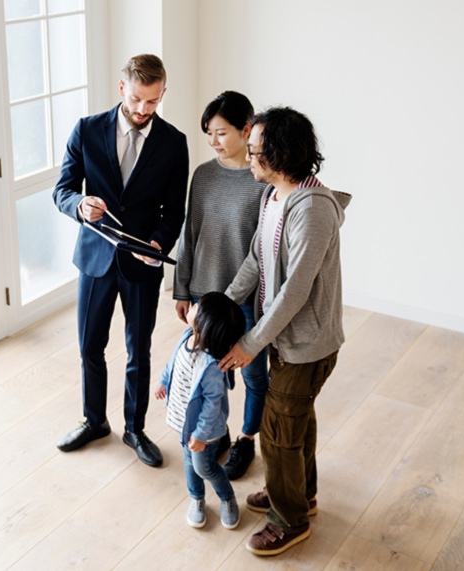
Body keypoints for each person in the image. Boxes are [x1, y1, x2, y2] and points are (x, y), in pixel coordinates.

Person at [218, 107, 350, 556]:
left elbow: (294, 292)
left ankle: (288, 518)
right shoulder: (273, 196)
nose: (248, 157)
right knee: (297, 420)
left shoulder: (311, 211)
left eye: (255, 151)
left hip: (308, 344)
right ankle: (301, 495)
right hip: (284, 337)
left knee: (277, 430)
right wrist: (224, 302)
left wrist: (250, 345)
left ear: (278, 155)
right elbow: (257, 258)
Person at [53, 55, 190, 468]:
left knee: (139, 350)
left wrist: (156, 242)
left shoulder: (173, 142)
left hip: (141, 264)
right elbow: (62, 190)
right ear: (121, 89)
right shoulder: (86, 130)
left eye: (152, 102)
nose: (142, 110)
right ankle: (95, 421)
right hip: (95, 257)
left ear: (162, 93)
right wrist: (80, 205)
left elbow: (174, 212)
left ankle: (135, 428)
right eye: (135, 100)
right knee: (90, 345)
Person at [172, 91, 270, 480]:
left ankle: (247, 439)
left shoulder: (262, 180)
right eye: (209, 133)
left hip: (244, 300)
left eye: (221, 133)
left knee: (251, 373)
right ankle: (220, 432)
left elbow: (263, 251)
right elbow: (190, 234)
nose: (213, 142)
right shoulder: (203, 175)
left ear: (247, 130)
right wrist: (182, 290)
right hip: (203, 294)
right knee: (210, 371)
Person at [154, 292, 245, 530]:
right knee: (188, 461)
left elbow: (211, 405)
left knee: (204, 467)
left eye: (197, 307)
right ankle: (196, 498)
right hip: (185, 422)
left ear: (205, 326)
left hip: (202, 430)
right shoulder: (188, 336)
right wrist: (164, 381)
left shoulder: (212, 367)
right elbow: (173, 362)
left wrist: (201, 435)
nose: (193, 306)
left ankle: (227, 497)